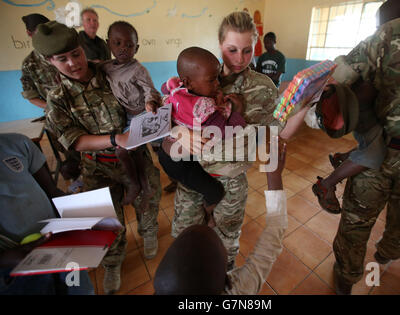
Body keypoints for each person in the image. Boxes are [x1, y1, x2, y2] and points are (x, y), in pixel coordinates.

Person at [320, 0, 400, 294]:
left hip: (383, 146)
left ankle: (345, 278)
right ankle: (384, 258)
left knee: (355, 222)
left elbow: (335, 86)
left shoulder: (389, 35)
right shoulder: (393, 30)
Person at [32, 21, 162, 295]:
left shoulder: (109, 71)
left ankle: (149, 234)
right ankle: (113, 263)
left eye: (76, 54)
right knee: (105, 221)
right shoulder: (58, 97)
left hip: (135, 156)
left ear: (84, 49)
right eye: (62, 59)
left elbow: (145, 94)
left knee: (148, 200)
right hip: (97, 167)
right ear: (49, 61)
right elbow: (74, 139)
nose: (73, 63)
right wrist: (115, 140)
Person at [170, 11, 287, 271]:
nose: (239, 59)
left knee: (226, 243)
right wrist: (175, 133)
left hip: (231, 180)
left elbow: (276, 132)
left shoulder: (264, 88)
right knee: (185, 240)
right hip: (193, 176)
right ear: (220, 44)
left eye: (247, 51)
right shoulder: (198, 73)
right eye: (232, 50)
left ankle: (225, 285)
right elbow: (166, 118)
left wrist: (302, 104)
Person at [311, 0, 400, 214]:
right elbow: (340, 77)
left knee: (375, 140)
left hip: (372, 109)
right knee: (373, 154)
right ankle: (326, 184)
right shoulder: (378, 43)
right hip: (361, 107)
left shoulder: (399, 43)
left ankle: (343, 158)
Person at [154, 140, 287, 295]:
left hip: (200, 172)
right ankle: (229, 260)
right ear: (226, 281)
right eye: (212, 230)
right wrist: (274, 175)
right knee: (227, 230)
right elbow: (274, 234)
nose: (210, 223)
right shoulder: (238, 289)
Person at [158, 46, 247, 228]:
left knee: (197, 180)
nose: (217, 84)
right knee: (215, 191)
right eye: (212, 80)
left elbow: (163, 88)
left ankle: (181, 183)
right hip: (180, 162)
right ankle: (209, 214)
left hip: (167, 153)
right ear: (189, 82)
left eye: (218, 77)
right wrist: (238, 111)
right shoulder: (203, 106)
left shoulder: (176, 87)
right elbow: (228, 131)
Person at [0, 133, 94, 295]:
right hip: (13, 268)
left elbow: (52, 190)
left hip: (59, 244)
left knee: (79, 288)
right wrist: (4, 258)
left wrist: (79, 211)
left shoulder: (17, 143)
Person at [102, 21, 161, 206]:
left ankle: (135, 185)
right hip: (126, 116)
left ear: (136, 48)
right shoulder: (107, 67)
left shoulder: (138, 70)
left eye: (129, 45)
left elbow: (149, 90)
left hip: (141, 114)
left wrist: (150, 102)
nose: (123, 49)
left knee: (122, 151)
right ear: (108, 44)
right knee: (137, 153)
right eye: (117, 43)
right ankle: (146, 187)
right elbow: (93, 67)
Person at [20, 13, 81, 182]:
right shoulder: (29, 64)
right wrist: (52, 108)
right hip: (58, 118)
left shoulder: (69, 51)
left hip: (83, 111)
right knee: (71, 153)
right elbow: (31, 95)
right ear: (29, 33)